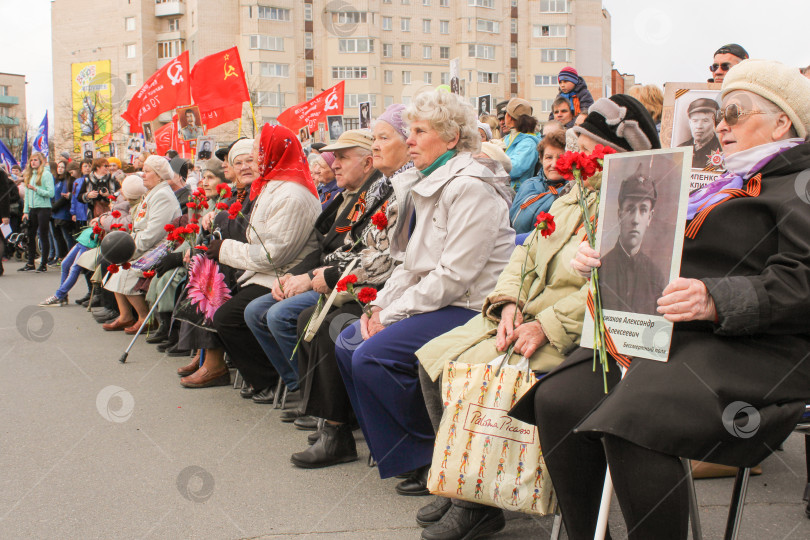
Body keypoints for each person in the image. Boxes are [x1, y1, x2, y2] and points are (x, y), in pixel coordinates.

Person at [515, 59, 810, 540]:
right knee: (559, 399)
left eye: (735, 111)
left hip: (762, 345)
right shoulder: (713, 178)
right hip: (676, 334)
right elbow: (656, 249)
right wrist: (604, 253)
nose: (721, 124)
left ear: (783, 122)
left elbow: (804, 281)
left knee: (637, 416)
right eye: (719, 112)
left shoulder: (798, 183)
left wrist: (716, 299)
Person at [415, 93, 660, 540]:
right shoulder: (573, 196)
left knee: (478, 375)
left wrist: (546, 325)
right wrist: (507, 300)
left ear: (620, 155)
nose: (576, 154)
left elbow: (614, 287)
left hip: (574, 331)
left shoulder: (625, 203)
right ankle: (464, 489)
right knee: (433, 362)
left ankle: (483, 501)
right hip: (522, 312)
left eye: (587, 145)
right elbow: (525, 251)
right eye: (578, 143)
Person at [334, 90, 515, 499]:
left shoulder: (469, 186)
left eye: (420, 131)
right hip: (441, 299)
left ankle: (431, 456)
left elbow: (455, 276)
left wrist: (392, 316)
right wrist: (381, 304)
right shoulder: (429, 180)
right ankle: (403, 452)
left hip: (470, 306)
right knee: (348, 342)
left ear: (451, 138)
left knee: (372, 354)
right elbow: (410, 265)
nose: (409, 139)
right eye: (409, 130)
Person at [289, 104, 413, 467]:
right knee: (309, 320)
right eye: (373, 139)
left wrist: (337, 278)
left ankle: (339, 429)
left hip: (392, 287)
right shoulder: (393, 185)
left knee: (333, 326)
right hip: (377, 282)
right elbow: (367, 245)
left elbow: (391, 257)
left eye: (383, 138)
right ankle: (331, 421)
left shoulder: (404, 187)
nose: (376, 147)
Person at [241, 129, 382, 401]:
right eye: (334, 157)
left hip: (349, 282)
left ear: (367, 163)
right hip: (323, 274)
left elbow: (356, 254)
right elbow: (322, 248)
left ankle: (316, 396)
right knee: (255, 310)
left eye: (342, 157)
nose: (334, 163)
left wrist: (306, 277)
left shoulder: (371, 197)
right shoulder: (347, 196)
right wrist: (292, 276)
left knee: (279, 315)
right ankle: (299, 388)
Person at [206, 129, 321, 399]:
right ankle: (278, 380)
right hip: (266, 272)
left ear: (273, 154)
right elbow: (257, 240)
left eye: (259, 150)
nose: (255, 157)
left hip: (284, 272)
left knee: (232, 316)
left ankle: (280, 382)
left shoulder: (291, 194)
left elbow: (273, 254)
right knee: (220, 304)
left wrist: (225, 249)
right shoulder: (272, 186)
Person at [39, 175, 146, 307]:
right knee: (66, 264)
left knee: (75, 267)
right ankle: (64, 295)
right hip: (91, 233)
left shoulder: (131, 204)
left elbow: (122, 222)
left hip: (101, 236)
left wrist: (103, 219)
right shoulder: (120, 198)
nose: (121, 189)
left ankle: (59, 295)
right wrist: (102, 216)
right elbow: (105, 212)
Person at [102, 155, 181, 334]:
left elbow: (154, 233)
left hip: (161, 246)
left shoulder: (162, 196)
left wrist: (130, 251)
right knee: (117, 266)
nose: (142, 175)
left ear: (159, 175)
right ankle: (126, 316)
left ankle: (146, 318)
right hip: (145, 243)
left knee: (129, 269)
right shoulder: (153, 192)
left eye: (147, 172)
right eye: (143, 171)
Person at [598, 170, 667, 315]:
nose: (635, 220)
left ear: (650, 217)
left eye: (643, 210)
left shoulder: (656, 277)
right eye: (630, 209)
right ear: (620, 214)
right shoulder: (600, 268)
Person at [509, 130, 567, 234]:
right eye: (549, 157)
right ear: (541, 159)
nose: (554, 164)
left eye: (561, 158)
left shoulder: (569, 193)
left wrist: (517, 240)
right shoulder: (528, 184)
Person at [18, 153, 54, 272]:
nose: (33, 162)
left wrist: (36, 189)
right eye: (31, 160)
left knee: (43, 235)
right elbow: (27, 195)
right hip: (32, 208)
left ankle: (43, 263)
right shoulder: (30, 175)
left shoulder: (46, 174)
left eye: (36, 160)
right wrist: (26, 211)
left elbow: (50, 193)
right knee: (30, 235)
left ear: (41, 161)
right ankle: (30, 262)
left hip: (43, 207)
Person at [502, 98, 540, 191]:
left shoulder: (529, 143)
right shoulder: (509, 137)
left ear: (509, 117)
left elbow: (514, 169)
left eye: (505, 113)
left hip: (517, 194)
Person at [678, 98, 723, 169]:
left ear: (715, 123)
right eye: (695, 121)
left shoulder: (723, 150)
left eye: (705, 121)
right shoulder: (680, 149)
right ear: (690, 122)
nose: (699, 126)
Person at [50, 160, 74, 262]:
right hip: (56, 213)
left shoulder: (66, 181)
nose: (60, 169)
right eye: (58, 167)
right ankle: (62, 256)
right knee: (59, 236)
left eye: (62, 167)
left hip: (63, 212)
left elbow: (64, 197)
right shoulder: (57, 181)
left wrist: (53, 207)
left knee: (67, 237)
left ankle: (70, 257)